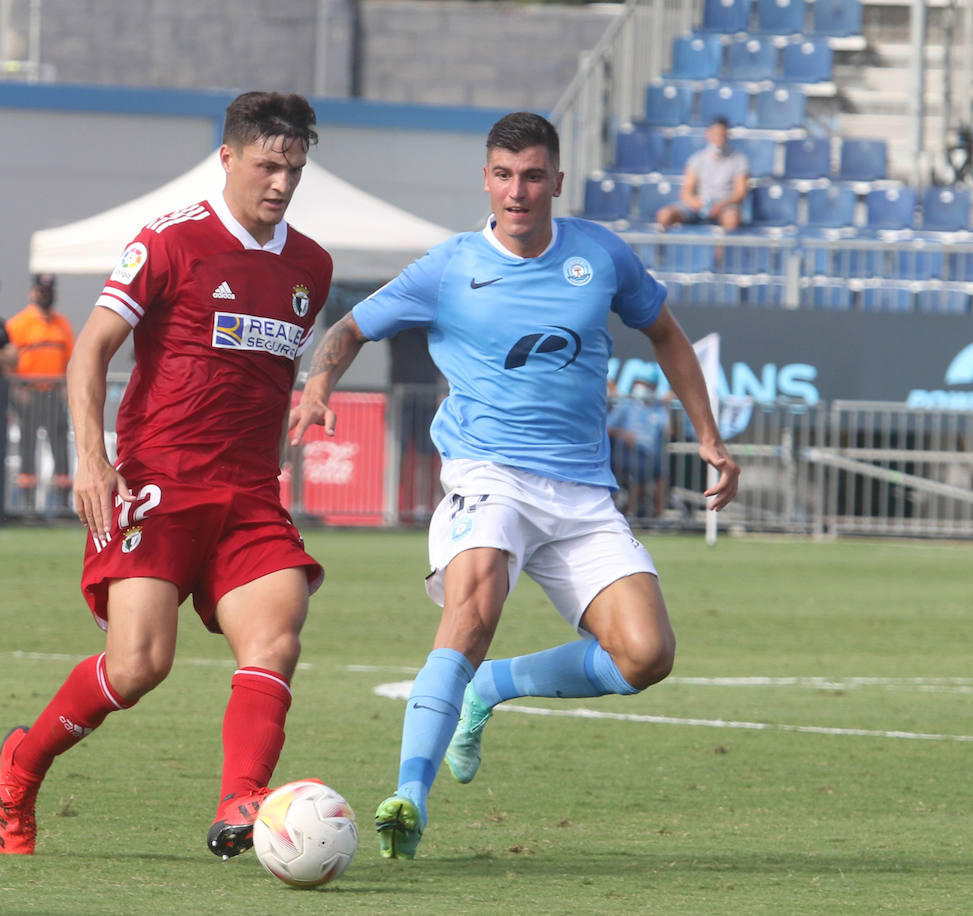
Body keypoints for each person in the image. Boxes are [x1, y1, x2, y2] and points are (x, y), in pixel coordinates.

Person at [289, 112, 740, 859]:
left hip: (582, 492)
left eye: (532, 175)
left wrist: (709, 434)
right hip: (486, 472)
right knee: (473, 611)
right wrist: (315, 387)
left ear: (556, 181)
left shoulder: (601, 256)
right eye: (503, 175)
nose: (518, 191)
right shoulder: (451, 266)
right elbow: (349, 329)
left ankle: (492, 687)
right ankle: (410, 795)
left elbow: (665, 332)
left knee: (645, 657)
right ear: (487, 180)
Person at [0, 91, 333, 860]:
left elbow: (266, 370)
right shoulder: (171, 241)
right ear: (229, 158)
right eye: (268, 165)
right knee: (140, 664)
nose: (281, 183)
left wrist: (307, 404)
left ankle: (241, 799)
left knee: (276, 639)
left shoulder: (313, 264)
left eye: (295, 168)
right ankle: (24, 765)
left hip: (246, 495)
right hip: (160, 483)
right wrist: (92, 458)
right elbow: (92, 348)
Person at [5, 274, 75, 514]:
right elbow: (8, 363)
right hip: (29, 393)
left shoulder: (62, 324)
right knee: (28, 446)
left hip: (55, 393)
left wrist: (67, 389)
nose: (44, 294)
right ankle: (27, 502)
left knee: (60, 446)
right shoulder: (18, 324)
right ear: (32, 292)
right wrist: (16, 390)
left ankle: (63, 501)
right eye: (40, 290)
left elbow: (71, 361)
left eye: (48, 290)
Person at [655, 117, 749, 232]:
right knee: (665, 215)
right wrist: (699, 204)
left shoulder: (739, 160)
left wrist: (719, 205)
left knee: (731, 218)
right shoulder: (696, 159)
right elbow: (686, 192)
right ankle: (666, 249)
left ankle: (720, 250)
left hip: (725, 205)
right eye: (715, 134)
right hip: (698, 205)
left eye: (721, 135)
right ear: (708, 135)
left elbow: (740, 193)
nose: (718, 138)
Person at [606, 378, 672, 520]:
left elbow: (669, 431)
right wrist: (623, 434)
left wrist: (666, 407)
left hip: (649, 455)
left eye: (646, 384)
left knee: (660, 470)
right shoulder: (626, 405)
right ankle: (627, 509)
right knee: (641, 470)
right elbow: (607, 427)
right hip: (626, 452)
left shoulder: (659, 407)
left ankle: (658, 517)